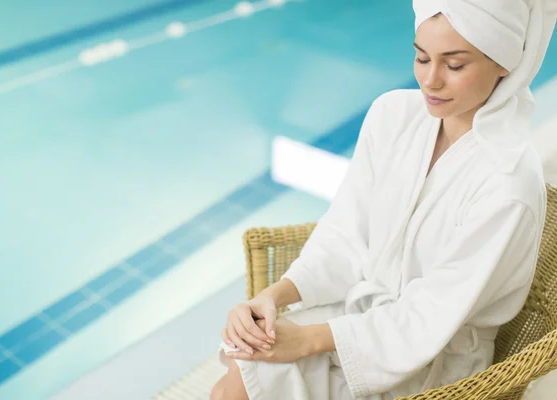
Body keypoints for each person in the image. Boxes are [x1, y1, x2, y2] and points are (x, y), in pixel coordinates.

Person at [211, 0, 557, 399]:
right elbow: (346, 234)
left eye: (455, 65)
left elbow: (429, 317)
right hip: (353, 316)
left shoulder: (507, 182)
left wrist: (306, 339)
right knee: (238, 378)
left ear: (505, 63)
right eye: (421, 57)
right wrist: (271, 298)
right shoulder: (392, 115)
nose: (430, 80)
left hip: (429, 365)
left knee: (235, 388)